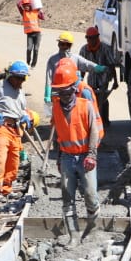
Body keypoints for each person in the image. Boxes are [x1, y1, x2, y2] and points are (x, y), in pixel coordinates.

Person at [50, 59, 102, 243]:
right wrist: (57, 157)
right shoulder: (56, 106)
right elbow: (58, 134)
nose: (62, 94)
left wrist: (92, 154)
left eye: (65, 90)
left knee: (90, 194)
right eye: (59, 90)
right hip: (66, 157)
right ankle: (74, 235)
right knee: (67, 197)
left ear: (73, 87)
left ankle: (93, 229)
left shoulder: (84, 104)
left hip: (85, 156)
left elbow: (94, 131)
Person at [0, 60, 34, 198]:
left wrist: (25, 115)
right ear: (10, 76)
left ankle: (7, 189)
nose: (21, 81)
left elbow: (21, 109)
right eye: (18, 78)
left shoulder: (20, 91)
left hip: (15, 129)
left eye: (23, 78)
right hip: (1, 127)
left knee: (13, 161)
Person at [44, 32, 104, 105]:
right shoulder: (53, 60)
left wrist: (98, 67)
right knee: (56, 112)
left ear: (71, 45)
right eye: (62, 44)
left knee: (86, 96)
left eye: (67, 45)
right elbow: (49, 77)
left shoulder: (75, 58)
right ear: (58, 44)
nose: (64, 47)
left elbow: (87, 64)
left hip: (73, 91)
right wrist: (47, 94)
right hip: (58, 91)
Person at [79, 26, 117, 125]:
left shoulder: (105, 48)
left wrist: (115, 81)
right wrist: (80, 80)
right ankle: (94, 120)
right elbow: (82, 66)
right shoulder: (84, 50)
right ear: (87, 38)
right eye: (89, 38)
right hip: (92, 78)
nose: (91, 40)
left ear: (97, 37)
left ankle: (105, 120)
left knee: (103, 98)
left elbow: (112, 64)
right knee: (92, 98)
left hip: (104, 76)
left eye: (93, 38)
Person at [18, 0, 45, 68]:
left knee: (36, 49)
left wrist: (41, 11)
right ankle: (27, 63)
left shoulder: (35, 11)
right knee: (29, 49)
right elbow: (18, 4)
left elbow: (43, 17)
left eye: (27, 5)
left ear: (30, 5)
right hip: (29, 34)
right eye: (24, 6)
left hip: (37, 34)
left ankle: (33, 64)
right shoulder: (23, 13)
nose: (25, 7)